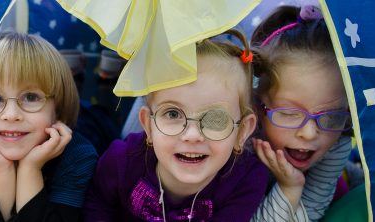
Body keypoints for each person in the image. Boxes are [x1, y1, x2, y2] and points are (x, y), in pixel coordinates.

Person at [81, 30, 268, 221]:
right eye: (173, 114)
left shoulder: (247, 179)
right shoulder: (121, 160)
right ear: (147, 124)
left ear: (242, 131)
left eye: (215, 119)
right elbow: (97, 206)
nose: (192, 135)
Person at [0, 32, 98, 222]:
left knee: (101, 118)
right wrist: (2, 170)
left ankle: (86, 79)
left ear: (57, 110)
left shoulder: (79, 157)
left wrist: (30, 169)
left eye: (31, 97)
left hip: (94, 127)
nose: (11, 115)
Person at [249, 5, 354, 222]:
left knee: (346, 191)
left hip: (318, 191)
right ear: (256, 106)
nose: (308, 134)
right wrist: (289, 187)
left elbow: (309, 216)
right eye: (288, 113)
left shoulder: (338, 142)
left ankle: (352, 174)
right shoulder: (241, 140)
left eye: (332, 115)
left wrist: (292, 186)